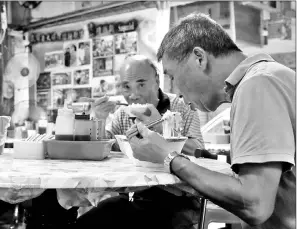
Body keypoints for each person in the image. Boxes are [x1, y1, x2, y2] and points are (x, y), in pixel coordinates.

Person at [127, 13, 295, 229]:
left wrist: (169, 158)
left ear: (199, 58)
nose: (173, 89)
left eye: (172, 76)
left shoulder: (258, 84)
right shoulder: (269, 77)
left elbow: (255, 205)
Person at [74, 54, 204, 229]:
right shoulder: (122, 113)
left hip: (180, 200)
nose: (133, 95)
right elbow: (106, 149)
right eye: (126, 87)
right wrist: (99, 119)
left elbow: (199, 151)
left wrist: (159, 127)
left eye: (141, 84)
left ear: (157, 81)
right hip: (135, 197)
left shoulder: (182, 106)